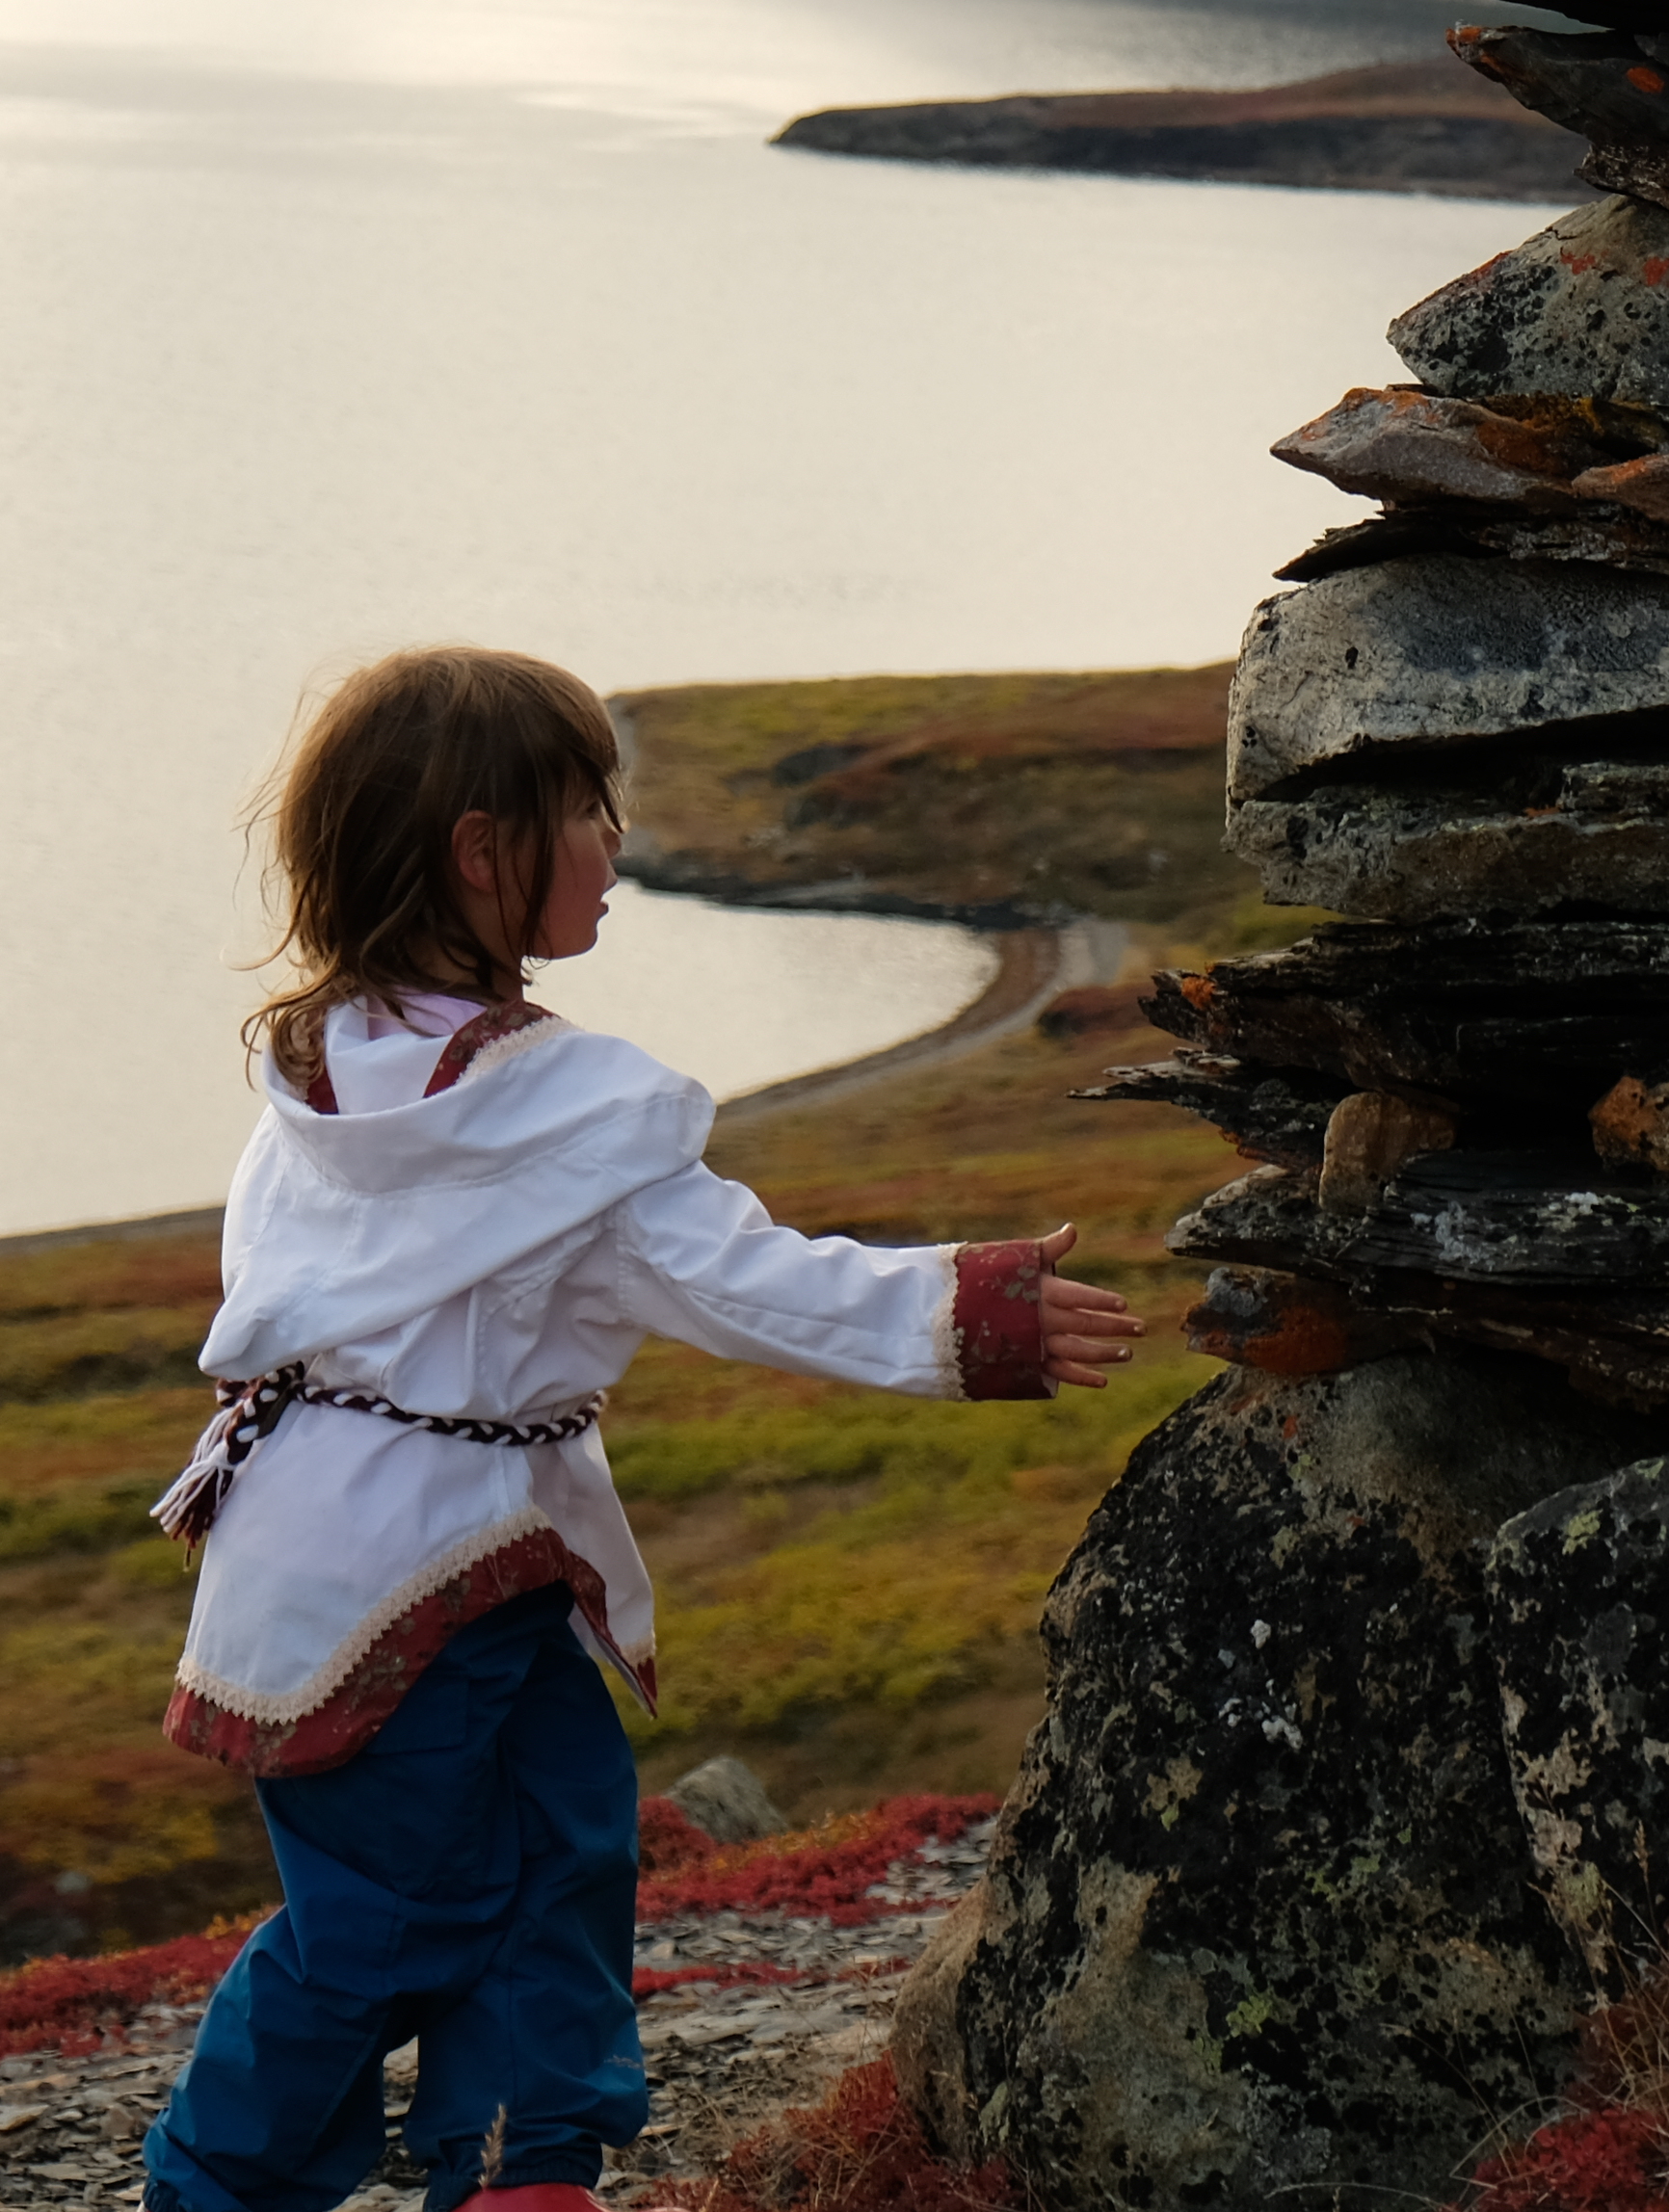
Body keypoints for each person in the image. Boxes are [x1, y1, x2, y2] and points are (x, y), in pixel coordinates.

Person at [135, 646, 1140, 2212]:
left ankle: (531, 2175)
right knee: (396, 1921)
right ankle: (215, 2188)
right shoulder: (572, 1122)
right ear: (483, 853)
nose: (615, 845)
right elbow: (751, 1284)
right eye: (587, 812)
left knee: (561, 1845)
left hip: (398, 1560)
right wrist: (975, 1314)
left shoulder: (325, 1064)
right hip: (407, 1580)